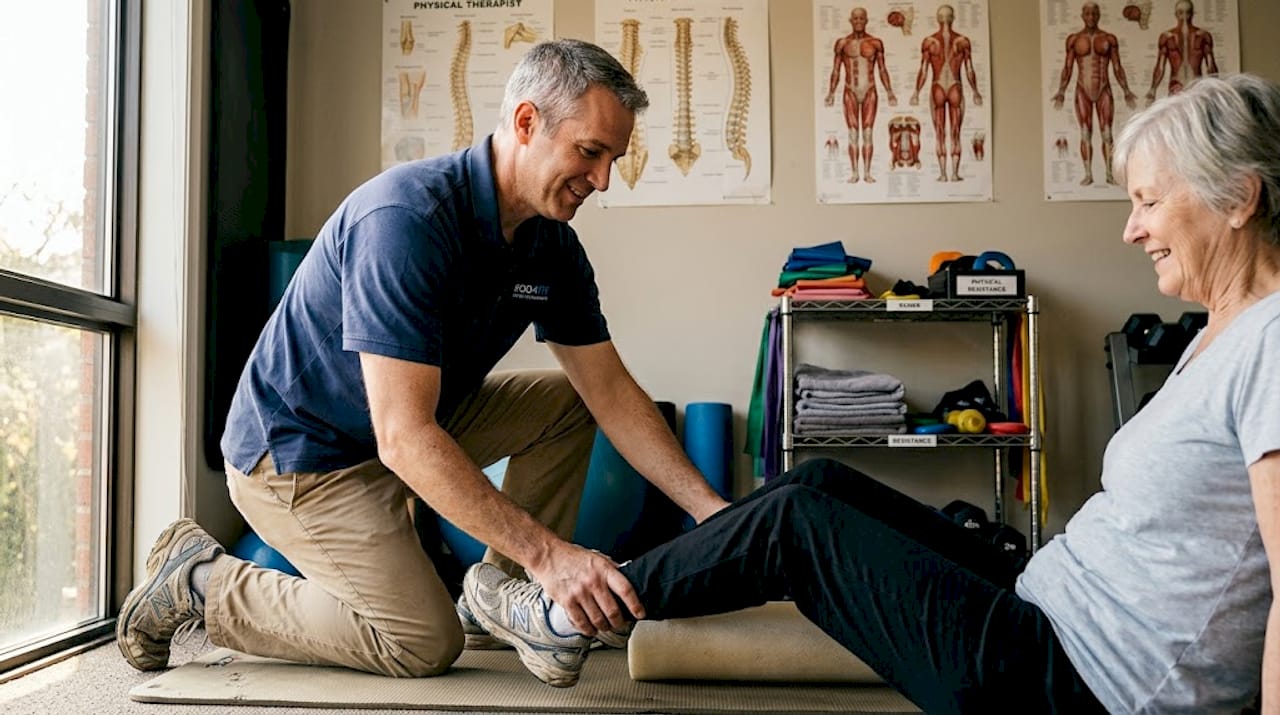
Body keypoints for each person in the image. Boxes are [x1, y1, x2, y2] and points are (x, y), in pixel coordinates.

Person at [462, 74, 1280, 714]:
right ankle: (604, 592)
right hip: (1047, 599)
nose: (1132, 228)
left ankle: (564, 617)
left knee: (796, 524)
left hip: (1076, 680)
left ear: (1239, 198)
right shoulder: (1221, 331)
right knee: (816, 482)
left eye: (1146, 201)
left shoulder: (1272, 341)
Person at [115, 39, 729, 679]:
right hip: (301, 455)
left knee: (570, 404)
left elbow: (610, 391)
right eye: (590, 152)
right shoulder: (406, 220)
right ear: (526, 123)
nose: (602, 180)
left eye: (613, 160)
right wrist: (553, 556)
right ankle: (197, 583)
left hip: (404, 428)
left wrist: (713, 512)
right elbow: (403, 437)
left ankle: (500, 602)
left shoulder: (551, 247)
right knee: (420, 643)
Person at [1051, 1, 1138, 186]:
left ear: (1099, 15)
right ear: (1083, 16)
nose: (1091, 17)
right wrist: (1061, 91)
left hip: (1103, 88)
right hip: (1082, 89)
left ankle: (1108, 173)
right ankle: (1089, 174)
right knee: (1085, 133)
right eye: (1088, 13)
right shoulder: (1074, 40)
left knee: (1107, 134)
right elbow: (1067, 67)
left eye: (1094, 13)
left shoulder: (1109, 39)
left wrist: (1126, 90)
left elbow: (1117, 66)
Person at [909, 4, 982, 183]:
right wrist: (975, 91)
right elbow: (969, 69)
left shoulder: (930, 42)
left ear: (937, 18)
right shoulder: (962, 41)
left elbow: (924, 70)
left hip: (938, 87)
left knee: (940, 132)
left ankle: (943, 174)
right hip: (955, 86)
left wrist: (916, 92)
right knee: (955, 132)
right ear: (953, 17)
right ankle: (955, 174)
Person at [825, 6, 897, 184]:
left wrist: (889, 92)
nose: (858, 22)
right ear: (850, 21)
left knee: (867, 133)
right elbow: (835, 71)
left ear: (866, 21)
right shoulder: (842, 44)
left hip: (870, 90)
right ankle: (855, 173)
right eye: (855, 19)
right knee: (852, 133)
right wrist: (831, 92)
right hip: (850, 90)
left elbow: (882, 69)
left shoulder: (875, 43)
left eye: (861, 19)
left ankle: (867, 172)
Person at [1145, 0, 1218, 105]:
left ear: (1192, 13)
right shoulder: (1166, 37)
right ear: (1176, 14)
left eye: (1187, 12)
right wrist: (1153, 89)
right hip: (1176, 86)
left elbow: (1211, 66)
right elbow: (1160, 66)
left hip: (1196, 85)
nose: (1184, 16)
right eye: (1181, 12)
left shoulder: (1203, 36)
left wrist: (1216, 88)